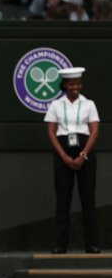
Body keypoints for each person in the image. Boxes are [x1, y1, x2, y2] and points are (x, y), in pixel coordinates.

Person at [44, 67, 100, 254]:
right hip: (63, 151)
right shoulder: (56, 105)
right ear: (65, 85)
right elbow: (51, 132)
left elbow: (94, 131)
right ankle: (60, 244)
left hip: (86, 151)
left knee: (88, 199)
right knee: (63, 200)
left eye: (78, 83)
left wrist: (83, 155)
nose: (76, 87)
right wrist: (65, 157)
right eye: (72, 84)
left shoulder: (89, 104)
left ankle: (91, 244)